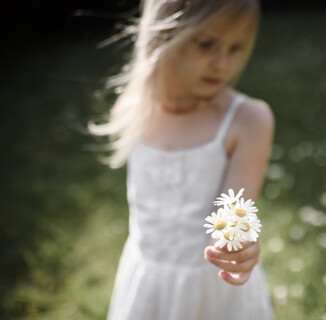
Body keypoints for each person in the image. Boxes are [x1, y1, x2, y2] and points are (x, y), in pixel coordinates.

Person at [89, 0, 274, 319]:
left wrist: (237, 246)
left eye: (236, 48)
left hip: (212, 290)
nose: (222, 63)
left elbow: (234, 215)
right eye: (206, 44)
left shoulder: (247, 120)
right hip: (148, 280)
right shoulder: (134, 108)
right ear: (162, 34)